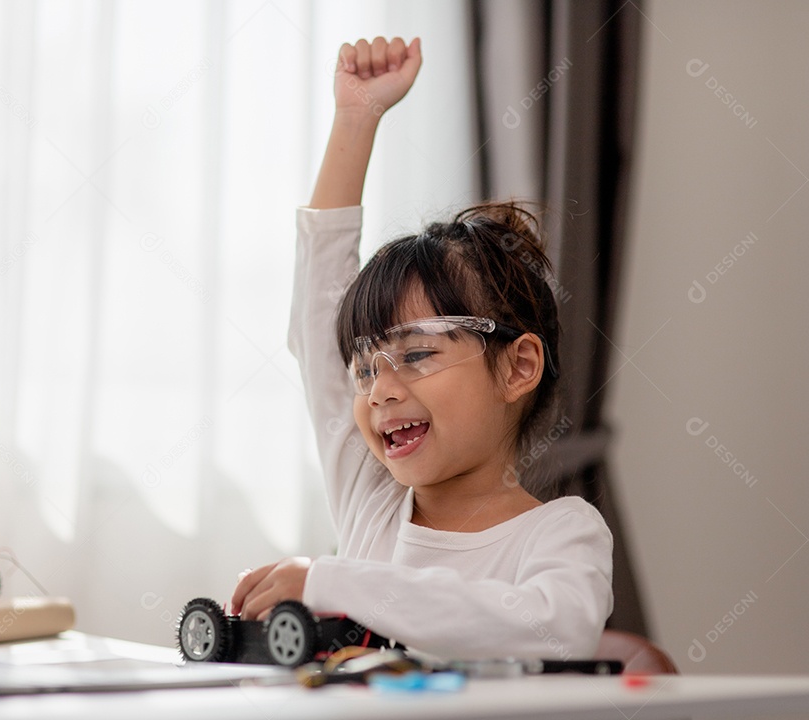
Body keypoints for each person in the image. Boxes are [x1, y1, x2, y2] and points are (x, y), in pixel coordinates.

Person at [229, 36, 613, 661]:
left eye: (416, 354)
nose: (379, 388)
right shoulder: (372, 497)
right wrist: (355, 119)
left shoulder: (561, 532)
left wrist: (337, 580)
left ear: (518, 367)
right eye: (364, 367)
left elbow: (557, 626)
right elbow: (315, 324)